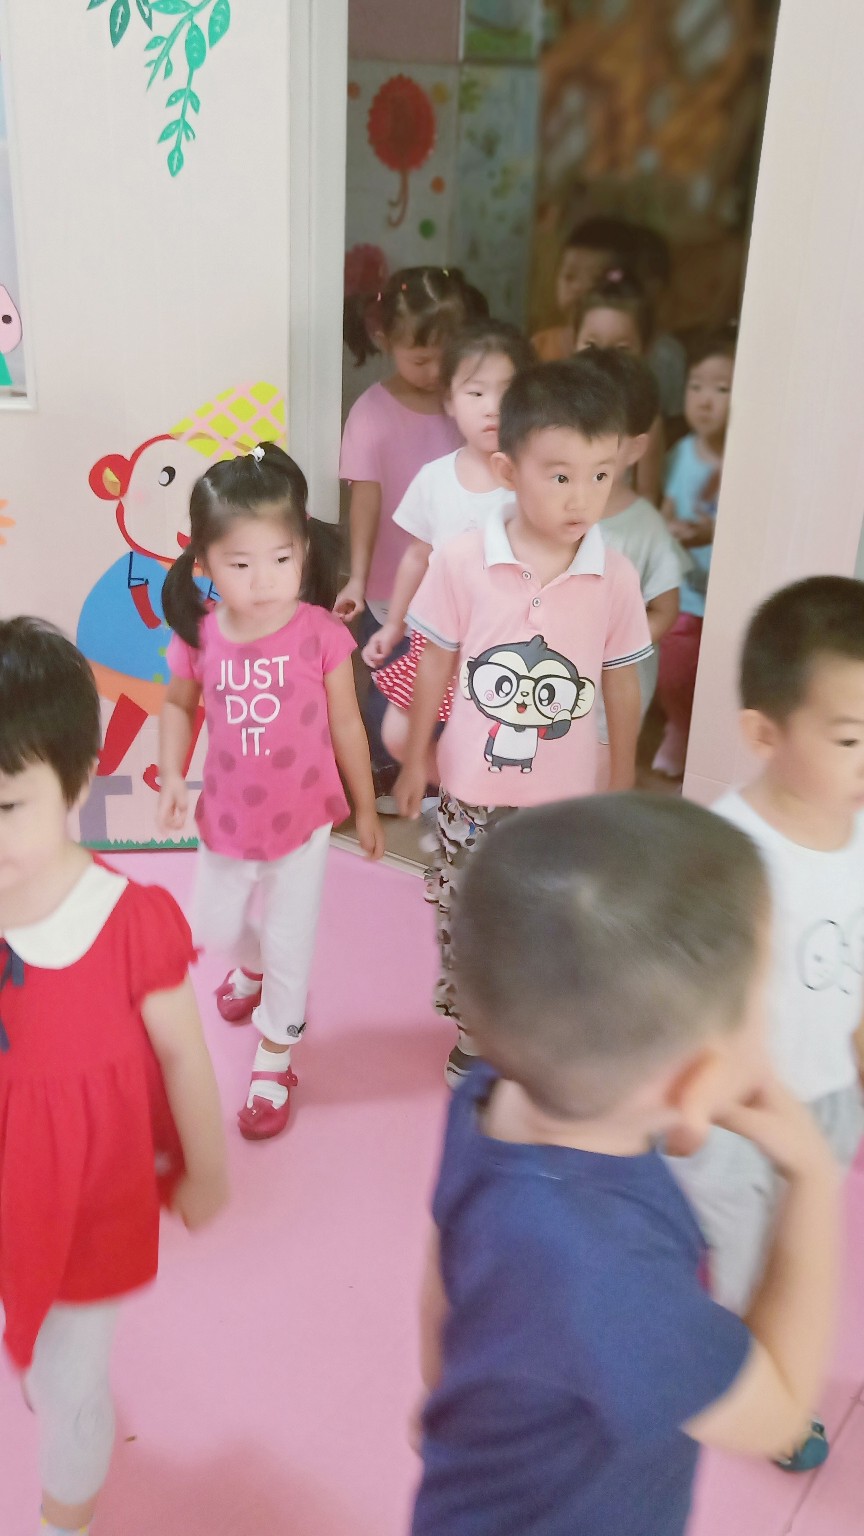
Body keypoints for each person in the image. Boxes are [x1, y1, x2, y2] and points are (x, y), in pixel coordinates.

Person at [411, 795, 840, 1536]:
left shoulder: (492, 1094)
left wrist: (447, 1393)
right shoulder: (617, 1290)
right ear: (693, 1083)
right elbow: (780, 1411)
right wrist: (814, 1180)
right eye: (759, 997)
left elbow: (445, 1262)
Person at [0, 617, 228, 1536]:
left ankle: (64, 1522)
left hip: (87, 1199)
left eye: (5, 806)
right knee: (34, 1350)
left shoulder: (127, 922)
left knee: (69, 1384)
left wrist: (205, 1169)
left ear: (78, 783)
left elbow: (183, 1054)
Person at [395, 359, 652, 1083]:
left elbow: (622, 682)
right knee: (469, 914)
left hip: (566, 800)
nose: (582, 497)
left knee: (556, 921)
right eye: (561, 475)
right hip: (472, 791)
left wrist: (623, 777)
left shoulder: (615, 575)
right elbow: (435, 665)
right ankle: (476, 1034)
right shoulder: (461, 559)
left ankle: (537, 1032)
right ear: (509, 471)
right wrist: (414, 759)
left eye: (600, 475)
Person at [669, 576, 864, 1471]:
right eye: (850, 738)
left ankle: (767, 1376)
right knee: (736, 1261)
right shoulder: (731, 853)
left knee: (802, 1251)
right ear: (763, 734)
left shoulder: (857, 834)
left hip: (827, 1096)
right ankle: (742, 1396)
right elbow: (690, 1001)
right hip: (738, 1118)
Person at [158, 444, 384, 1141]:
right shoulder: (200, 637)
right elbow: (178, 707)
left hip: (304, 822)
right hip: (226, 818)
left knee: (291, 942)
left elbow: (347, 723)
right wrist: (171, 774)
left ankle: (276, 1055)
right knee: (214, 929)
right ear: (204, 565)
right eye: (240, 564)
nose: (263, 581)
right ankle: (252, 968)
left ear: (304, 553)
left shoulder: (322, 636)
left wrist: (366, 808)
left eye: (281, 559)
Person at [361, 319, 535, 776]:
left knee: (491, 739)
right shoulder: (435, 478)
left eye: (507, 392)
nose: (492, 407)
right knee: (398, 736)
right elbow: (416, 556)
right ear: (450, 402)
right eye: (476, 393)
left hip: (506, 644)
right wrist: (393, 625)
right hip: (437, 637)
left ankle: (481, 798)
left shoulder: (533, 482)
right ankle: (459, 790)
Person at [576, 348, 682, 788]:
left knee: (599, 781)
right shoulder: (540, 510)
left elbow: (665, 608)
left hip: (611, 696)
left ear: (636, 447)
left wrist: (617, 644)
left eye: (601, 436)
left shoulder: (644, 528)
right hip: (548, 681)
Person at [653, 325, 736, 778]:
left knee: (722, 675)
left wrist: (714, 532)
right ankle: (680, 727)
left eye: (722, 389)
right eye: (696, 386)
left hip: (728, 597)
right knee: (672, 673)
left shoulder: (745, 460)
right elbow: (664, 512)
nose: (706, 400)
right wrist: (673, 529)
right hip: (684, 594)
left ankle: (708, 744)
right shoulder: (681, 453)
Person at [572, 266, 664, 506]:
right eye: (591, 345)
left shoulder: (647, 420)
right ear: (574, 341)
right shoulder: (557, 404)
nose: (603, 359)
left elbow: (647, 494)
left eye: (621, 349)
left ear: (646, 349)